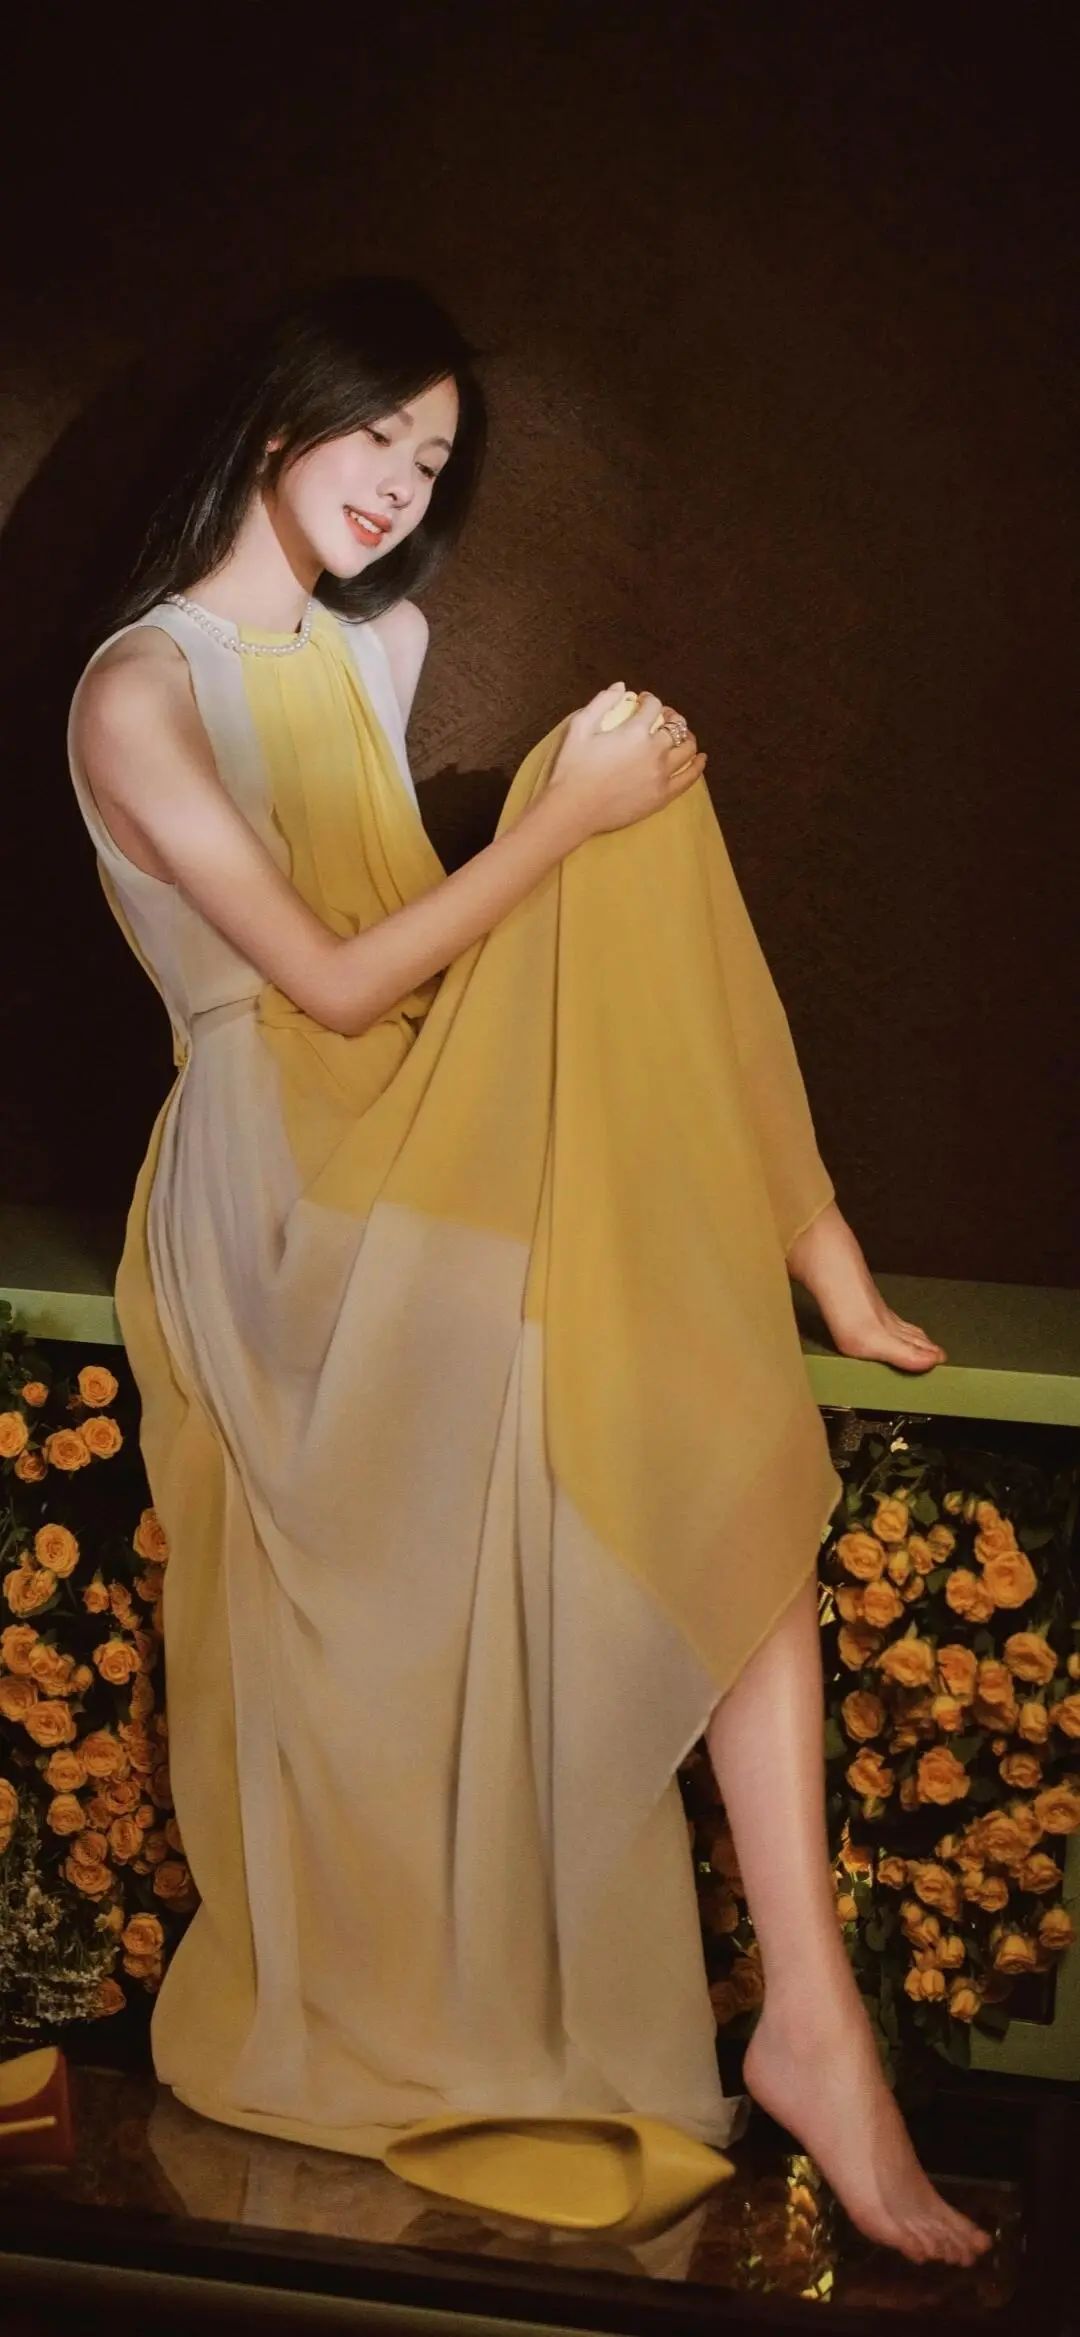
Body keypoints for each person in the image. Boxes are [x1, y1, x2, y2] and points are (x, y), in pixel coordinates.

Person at [67, 275, 990, 2268]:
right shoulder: (137, 689)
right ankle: (810, 1241)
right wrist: (560, 823)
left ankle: (815, 2018)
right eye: (377, 439)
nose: (403, 488)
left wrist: (587, 817)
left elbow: (425, 957)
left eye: (435, 463)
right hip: (281, 1189)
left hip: (411, 1125)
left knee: (627, 768)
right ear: (277, 425)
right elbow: (323, 986)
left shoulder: (358, 651)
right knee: (599, 786)